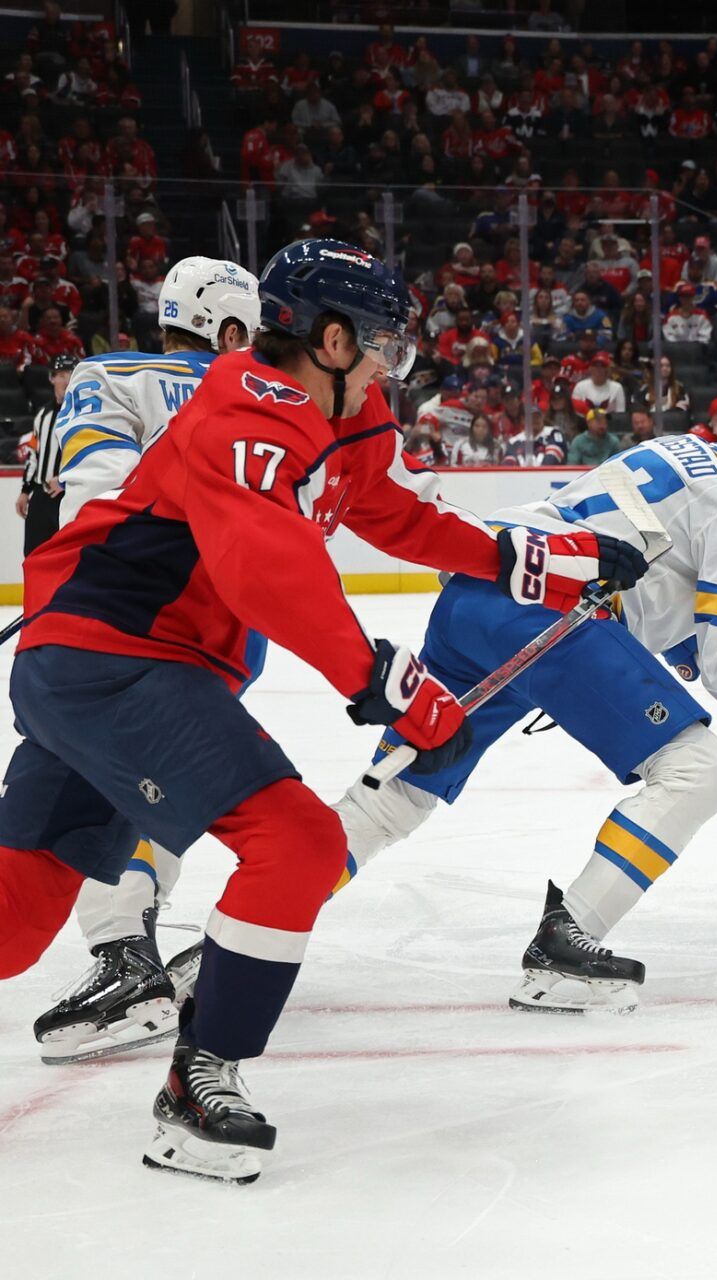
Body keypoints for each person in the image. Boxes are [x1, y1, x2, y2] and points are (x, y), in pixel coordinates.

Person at [0, 239, 647, 1183]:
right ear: (331, 339)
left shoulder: (348, 410)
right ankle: (197, 1083)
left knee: (13, 930)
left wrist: (543, 563)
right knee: (298, 843)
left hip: (99, 667)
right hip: (118, 660)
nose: (395, 365)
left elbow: (395, 514)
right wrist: (379, 679)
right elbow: (270, 566)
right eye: (383, 343)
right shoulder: (244, 408)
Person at [329, 384, 717, 1014]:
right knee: (702, 770)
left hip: (481, 591)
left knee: (402, 788)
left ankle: (260, 921)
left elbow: (649, 550)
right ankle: (567, 942)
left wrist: (678, 630)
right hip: (555, 618)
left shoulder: (681, 449)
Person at [29, 260, 266, 1065]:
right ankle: (143, 941)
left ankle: (124, 954)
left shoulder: (108, 374)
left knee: (103, 781)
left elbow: (96, 492)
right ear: (232, 332)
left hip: (125, 618)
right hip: (234, 629)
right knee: (159, 782)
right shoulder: (271, 394)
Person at [16, 354, 74, 552]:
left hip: (69, 495)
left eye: (71, 374)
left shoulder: (85, 415)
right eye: (61, 375)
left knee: (66, 556)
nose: (66, 380)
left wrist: (66, 478)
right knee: (33, 554)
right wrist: (25, 491)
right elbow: (33, 455)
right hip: (41, 495)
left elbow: (91, 457)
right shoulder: (43, 414)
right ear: (52, 378)